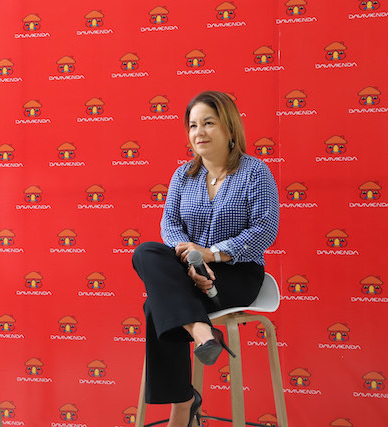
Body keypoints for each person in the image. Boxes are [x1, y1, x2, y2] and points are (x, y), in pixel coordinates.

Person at [132, 91, 279, 427]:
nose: (198, 132)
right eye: (193, 125)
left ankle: (183, 405)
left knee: (156, 307)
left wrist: (212, 254)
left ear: (230, 128)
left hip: (236, 274)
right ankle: (202, 332)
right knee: (146, 252)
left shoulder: (256, 173)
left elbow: (264, 230)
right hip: (190, 271)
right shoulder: (183, 176)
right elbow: (169, 225)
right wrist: (190, 258)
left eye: (208, 123)